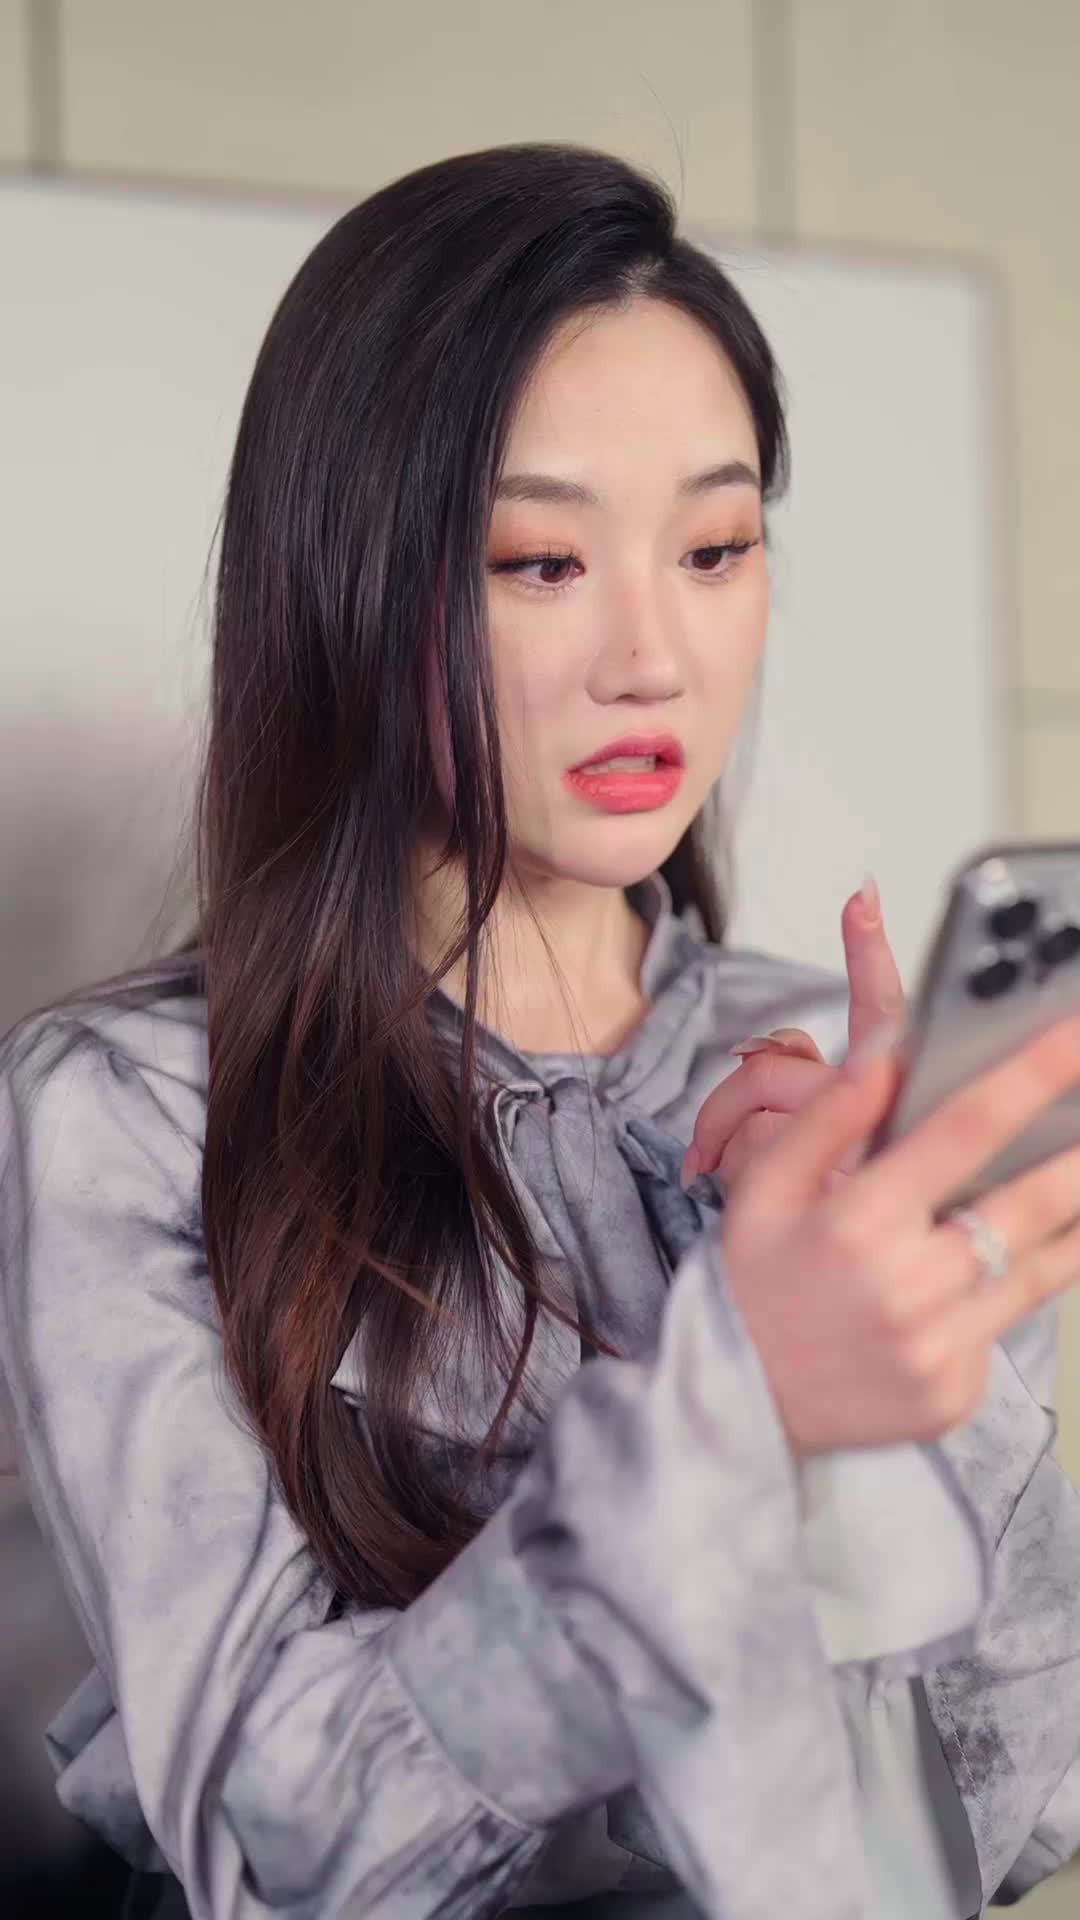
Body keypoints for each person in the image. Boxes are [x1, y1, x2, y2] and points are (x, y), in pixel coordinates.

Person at [1, 141, 1079, 1920]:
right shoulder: (127, 1114)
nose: (653, 656)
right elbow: (280, 1855)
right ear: (349, 580)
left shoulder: (828, 1080)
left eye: (716, 548)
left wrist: (932, 1390)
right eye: (540, 561)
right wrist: (738, 1415)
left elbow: (1014, 1820)